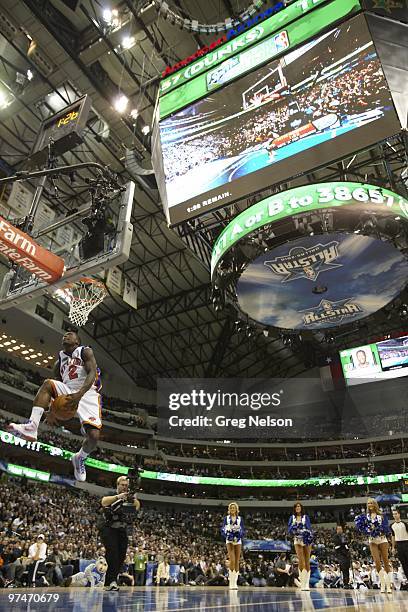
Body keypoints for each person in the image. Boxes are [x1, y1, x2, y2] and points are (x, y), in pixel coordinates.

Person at [8, 330, 101, 482]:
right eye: (64, 334)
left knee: (94, 437)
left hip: (88, 392)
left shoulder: (85, 351)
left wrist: (79, 394)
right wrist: (51, 410)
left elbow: (92, 374)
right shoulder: (59, 362)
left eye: (70, 334)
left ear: (77, 341)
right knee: (47, 384)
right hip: (69, 389)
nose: (66, 335)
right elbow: (55, 388)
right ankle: (32, 427)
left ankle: (79, 458)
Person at [99, 475, 140, 591]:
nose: (124, 487)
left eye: (126, 485)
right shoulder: (112, 494)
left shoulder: (128, 498)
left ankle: (112, 579)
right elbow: (103, 502)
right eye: (122, 485)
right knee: (113, 552)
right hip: (108, 528)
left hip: (121, 530)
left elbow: (136, 507)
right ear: (117, 485)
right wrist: (118, 497)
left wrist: (132, 498)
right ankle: (110, 581)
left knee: (121, 555)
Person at [354, 498, 392, 593]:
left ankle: (389, 586)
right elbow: (362, 529)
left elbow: (386, 528)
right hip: (372, 541)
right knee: (377, 562)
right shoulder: (365, 517)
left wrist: (381, 529)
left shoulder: (382, 515)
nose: (370, 504)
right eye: (368, 503)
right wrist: (367, 530)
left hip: (382, 539)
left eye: (371, 503)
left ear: (375, 504)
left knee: (386, 561)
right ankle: (382, 585)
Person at [288, 502, 313, 591]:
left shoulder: (306, 517)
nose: (298, 508)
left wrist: (305, 533)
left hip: (306, 539)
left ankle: (307, 584)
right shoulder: (292, 518)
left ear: (301, 508)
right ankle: (302, 583)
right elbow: (289, 529)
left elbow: (309, 528)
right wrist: (294, 529)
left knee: (307, 561)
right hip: (297, 540)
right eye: (296, 506)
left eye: (299, 506)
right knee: (301, 560)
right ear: (294, 508)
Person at [221, 502, 245, 590]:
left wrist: (239, 535)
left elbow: (243, 530)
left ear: (236, 509)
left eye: (234, 508)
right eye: (231, 508)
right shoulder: (226, 518)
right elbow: (223, 529)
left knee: (237, 561)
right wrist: (227, 535)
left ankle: (235, 582)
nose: (232, 509)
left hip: (238, 540)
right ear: (229, 509)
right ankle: (231, 582)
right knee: (232, 559)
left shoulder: (240, 519)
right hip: (229, 540)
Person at [391, 507, 408, 582]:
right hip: (399, 545)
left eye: (396, 514)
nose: (394, 515)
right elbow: (393, 536)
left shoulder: (404, 524)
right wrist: (393, 547)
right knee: (403, 564)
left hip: (406, 543)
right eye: (393, 514)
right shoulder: (392, 525)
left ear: (399, 514)